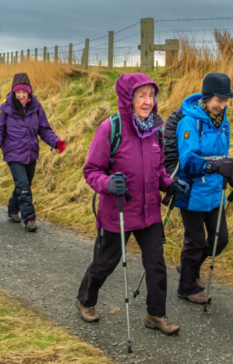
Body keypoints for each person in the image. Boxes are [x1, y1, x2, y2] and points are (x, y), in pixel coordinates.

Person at [76, 73, 187, 335]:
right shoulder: (110, 129)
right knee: (105, 262)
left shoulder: (155, 131)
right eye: (142, 96)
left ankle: (156, 314)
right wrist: (108, 184)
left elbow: (158, 170)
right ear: (129, 99)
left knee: (156, 264)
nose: (148, 102)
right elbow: (92, 170)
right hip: (118, 212)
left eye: (151, 96)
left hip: (149, 212)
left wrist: (169, 184)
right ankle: (85, 299)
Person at [173, 73, 233, 304]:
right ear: (206, 98)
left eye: (225, 101)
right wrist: (214, 166)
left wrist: (231, 178)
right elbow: (187, 160)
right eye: (218, 100)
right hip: (192, 192)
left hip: (215, 192)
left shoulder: (223, 123)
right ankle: (186, 287)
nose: (222, 105)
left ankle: (190, 267)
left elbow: (222, 158)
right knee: (194, 241)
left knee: (219, 239)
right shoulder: (189, 122)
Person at [0, 73, 66, 232]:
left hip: (30, 151)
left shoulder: (36, 106)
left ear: (29, 92)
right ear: (13, 92)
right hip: (12, 152)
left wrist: (56, 142)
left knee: (24, 183)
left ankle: (12, 209)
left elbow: (44, 129)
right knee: (23, 185)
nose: (21, 95)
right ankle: (29, 218)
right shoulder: (5, 107)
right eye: (18, 92)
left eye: (24, 92)